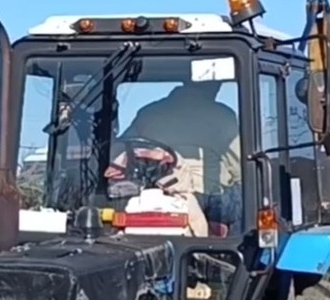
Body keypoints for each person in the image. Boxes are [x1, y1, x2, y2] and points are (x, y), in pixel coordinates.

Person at [103, 80, 243, 234]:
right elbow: (240, 167)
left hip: (155, 188)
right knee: (245, 197)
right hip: (208, 196)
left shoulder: (148, 113)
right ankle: (224, 240)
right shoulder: (223, 115)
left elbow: (122, 147)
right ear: (213, 87)